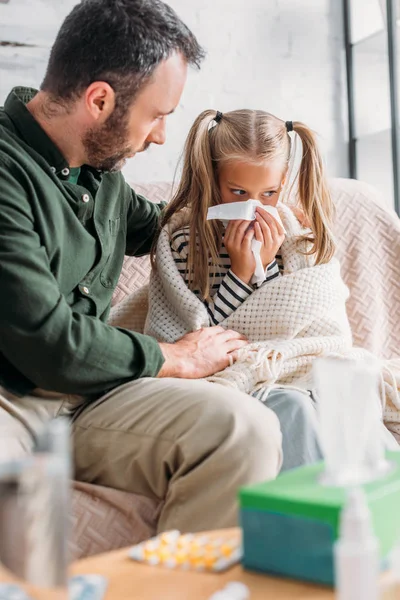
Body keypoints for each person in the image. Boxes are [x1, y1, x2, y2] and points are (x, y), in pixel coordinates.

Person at [0, 1, 283, 532]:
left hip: (92, 397)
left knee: (246, 429)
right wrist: (171, 356)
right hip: (12, 398)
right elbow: (47, 340)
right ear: (100, 100)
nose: (158, 137)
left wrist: (246, 213)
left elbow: (164, 228)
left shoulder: (100, 170)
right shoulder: (6, 174)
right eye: (156, 116)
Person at [145, 108, 340, 470]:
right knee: (292, 407)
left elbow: (305, 328)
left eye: (267, 193)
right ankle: (321, 519)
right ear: (214, 180)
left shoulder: (297, 241)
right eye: (238, 191)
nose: (253, 206)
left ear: (282, 183)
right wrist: (241, 272)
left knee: (345, 396)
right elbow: (200, 343)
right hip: (229, 380)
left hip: (291, 370)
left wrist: (265, 268)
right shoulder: (188, 243)